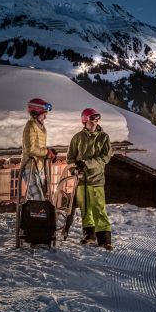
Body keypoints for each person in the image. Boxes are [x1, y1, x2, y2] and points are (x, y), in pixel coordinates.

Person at [67, 108, 113, 250]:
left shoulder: (103, 137)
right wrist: (74, 169)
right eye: (92, 120)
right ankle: (89, 235)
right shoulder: (77, 138)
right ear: (85, 121)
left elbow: (104, 158)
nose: (94, 123)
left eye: (97, 120)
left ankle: (104, 239)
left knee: (98, 208)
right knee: (85, 208)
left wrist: (87, 163)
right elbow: (70, 158)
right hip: (81, 180)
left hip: (96, 179)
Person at [21, 98, 57, 201]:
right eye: (43, 114)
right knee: (39, 199)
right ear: (35, 113)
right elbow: (30, 149)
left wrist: (49, 152)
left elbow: (39, 146)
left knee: (33, 199)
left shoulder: (40, 127)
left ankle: (26, 216)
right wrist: (46, 152)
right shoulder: (30, 126)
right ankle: (36, 216)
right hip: (30, 167)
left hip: (39, 167)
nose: (45, 117)